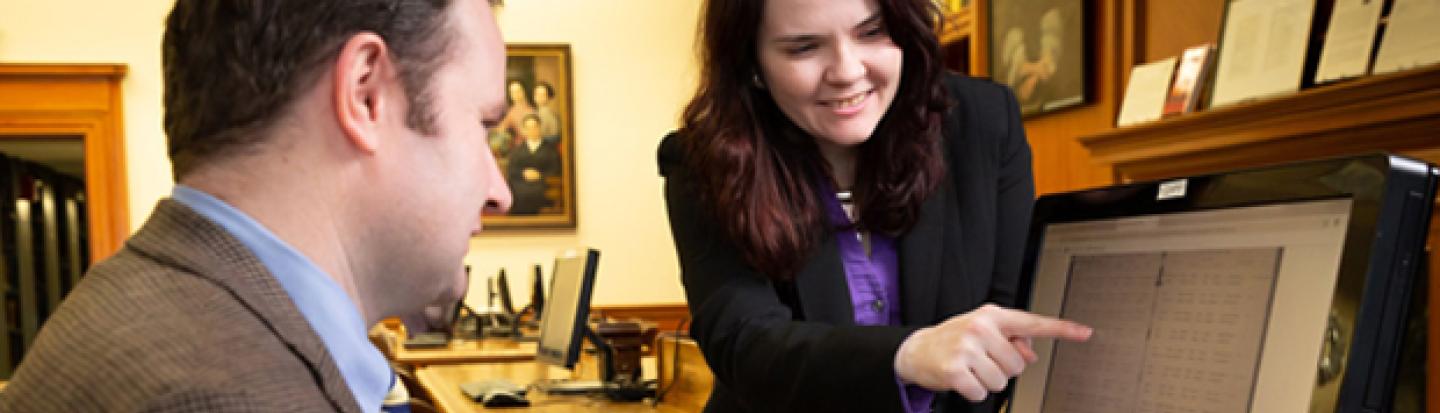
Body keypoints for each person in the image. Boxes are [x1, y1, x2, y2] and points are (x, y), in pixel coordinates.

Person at [0, 0, 512, 412]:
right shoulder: (219, 395)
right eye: (484, 125)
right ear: (365, 94)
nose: (500, 194)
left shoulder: (141, 306)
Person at [657, 0, 1092, 412]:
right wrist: (907, 355)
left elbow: (1009, 316)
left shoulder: (982, 122)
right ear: (750, 62)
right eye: (804, 47)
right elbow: (746, 344)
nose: (847, 72)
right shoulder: (704, 162)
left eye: (872, 32)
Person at [507, 114, 562, 215]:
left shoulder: (550, 149)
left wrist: (539, 175)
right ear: (524, 130)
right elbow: (512, 171)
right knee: (518, 193)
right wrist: (523, 174)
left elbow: (555, 169)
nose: (532, 130)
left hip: (542, 183)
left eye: (534, 127)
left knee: (534, 193)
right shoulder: (517, 150)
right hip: (520, 183)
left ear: (539, 128)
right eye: (528, 128)